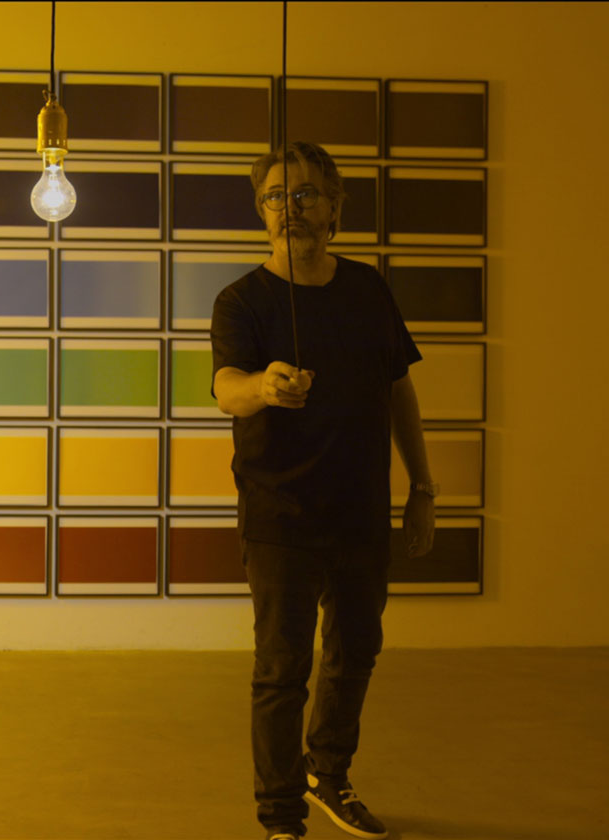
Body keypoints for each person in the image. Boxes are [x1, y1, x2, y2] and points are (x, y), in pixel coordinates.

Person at [209, 140, 437, 840]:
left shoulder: (368, 290)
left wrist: (422, 486)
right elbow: (226, 389)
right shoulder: (241, 301)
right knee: (282, 670)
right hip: (279, 514)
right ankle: (281, 817)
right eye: (276, 196)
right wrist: (264, 386)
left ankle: (328, 774)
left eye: (306, 193)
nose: (291, 208)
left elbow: (399, 388)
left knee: (355, 652)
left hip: (360, 512)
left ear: (335, 208)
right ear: (261, 212)